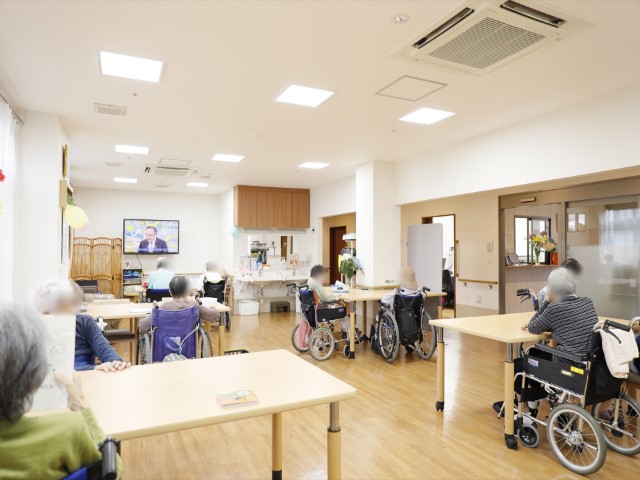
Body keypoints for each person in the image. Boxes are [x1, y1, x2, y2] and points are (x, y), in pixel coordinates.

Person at [0, 304, 122, 479]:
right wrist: (84, 409)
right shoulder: (68, 429)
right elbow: (112, 469)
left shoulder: (84, 323)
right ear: (37, 373)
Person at [32, 279, 130, 372]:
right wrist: (93, 368)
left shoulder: (86, 322)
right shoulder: (37, 329)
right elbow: (49, 370)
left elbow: (104, 348)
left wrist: (116, 362)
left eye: (73, 304)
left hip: (87, 377)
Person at [523, 267, 598, 357]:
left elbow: (532, 327)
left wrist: (547, 301)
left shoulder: (554, 309)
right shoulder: (587, 302)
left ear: (552, 289)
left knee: (529, 349)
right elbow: (569, 324)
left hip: (569, 361)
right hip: (592, 360)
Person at [138, 276, 220, 332]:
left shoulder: (163, 307)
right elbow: (215, 315)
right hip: (189, 346)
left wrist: (146, 316)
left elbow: (142, 326)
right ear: (187, 291)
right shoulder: (194, 306)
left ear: (170, 292)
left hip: (166, 346)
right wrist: (212, 308)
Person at [307, 264, 350, 336]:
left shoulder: (310, 281)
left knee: (339, 306)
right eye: (323, 276)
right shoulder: (317, 284)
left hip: (314, 309)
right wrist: (337, 298)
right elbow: (326, 299)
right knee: (342, 310)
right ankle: (348, 332)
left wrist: (333, 296)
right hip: (321, 310)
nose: (324, 278)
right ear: (319, 275)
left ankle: (345, 331)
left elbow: (324, 296)